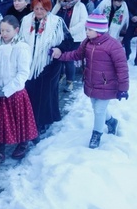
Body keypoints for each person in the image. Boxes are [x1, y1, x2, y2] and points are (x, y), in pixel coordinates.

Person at [52, 13, 129, 149]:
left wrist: (123, 88)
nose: (86, 31)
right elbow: (76, 54)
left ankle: (97, 134)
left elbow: (122, 68)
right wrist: (60, 56)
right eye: (86, 29)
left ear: (99, 31)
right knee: (96, 106)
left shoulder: (113, 45)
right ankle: (111, 121)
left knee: (99, 110)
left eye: (89, 29)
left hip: (107, 83)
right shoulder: (87, 42)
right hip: (92, 81)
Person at [0, 16, 38, 166]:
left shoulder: (21, 47)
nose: (4, 33)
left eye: (8, 30)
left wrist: (7, 90)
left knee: (19, 120)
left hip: (14, 92)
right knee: (0, 122)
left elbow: (23, 73)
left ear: (16, 30)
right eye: (2, 30)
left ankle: (23, 143)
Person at [19, 0, 73, 135]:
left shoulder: (57, 22)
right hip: (29, 63)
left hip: (49, 63)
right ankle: (31, 119)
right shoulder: (26, 20)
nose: (39, 12)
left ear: (48, 8)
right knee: (30, 91)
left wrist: (59, 49)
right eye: (36, 8)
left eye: (42, 9)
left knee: (45, 93)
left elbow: (69, 41)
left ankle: (42, 121)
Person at [52, 0, 88, 92]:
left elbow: (83, 21)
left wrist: (70, 31)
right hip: (59, 36)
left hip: (73, 37)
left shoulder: (80, 6)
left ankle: (69, 82)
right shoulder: (59, 5)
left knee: (68, 59)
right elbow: (52, 17)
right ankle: (61, 75)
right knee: (58, 57)